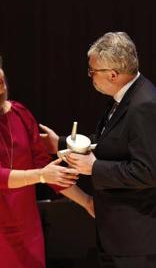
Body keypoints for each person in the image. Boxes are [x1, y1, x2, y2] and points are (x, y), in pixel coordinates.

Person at [0, 47, 94, 268]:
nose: (0, 74)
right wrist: (42, 176)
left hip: (26, 229)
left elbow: (46, 167)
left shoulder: (20, 112)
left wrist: (87, 202)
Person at [40, 32, 156, 268]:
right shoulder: (124, 95)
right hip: (119, 234)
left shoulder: (144, 105)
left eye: (93, 72)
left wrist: (94, 167)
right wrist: (59, 144)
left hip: (137, 239)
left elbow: (148, 171)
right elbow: (110, 144)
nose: (90, 77)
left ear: (113, 75)